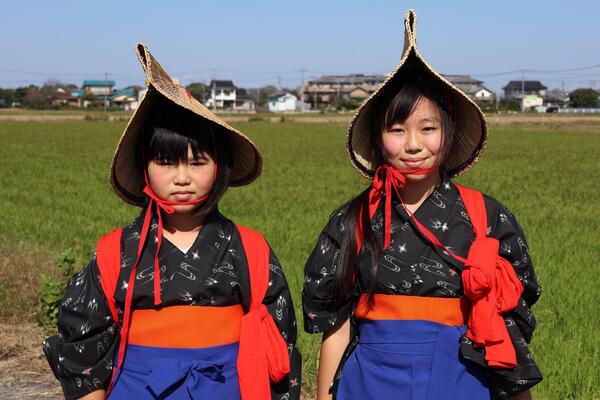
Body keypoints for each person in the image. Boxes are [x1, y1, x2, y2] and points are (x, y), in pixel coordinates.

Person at [302, 10, 542, 400]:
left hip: (465, 379)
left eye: (427, 128)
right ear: (379, 139)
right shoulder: (352, 220)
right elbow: (337, 326)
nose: (413, 144)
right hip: (369, 383)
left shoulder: (486, 217)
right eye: (397, 130)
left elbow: (507, 328)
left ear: (448, 133)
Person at [43, 43, 301, 400]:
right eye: (166, 162)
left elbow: (281, 343)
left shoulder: (251, 251)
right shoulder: (114, 253)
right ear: (144, 167)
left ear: (220, 166)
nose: (182, 178)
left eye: (198, 163)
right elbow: (83, 352)